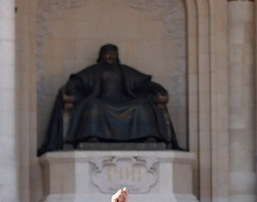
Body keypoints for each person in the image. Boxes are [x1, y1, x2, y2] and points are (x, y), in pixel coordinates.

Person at [38, 44, 180, 155]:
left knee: (142, 106)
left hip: (125, 100)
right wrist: (71, 89)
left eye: (113, 54)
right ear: (101, 56)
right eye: (108, 53)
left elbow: (145, 83)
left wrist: (158, 89)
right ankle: (92, 136)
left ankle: (148, 136)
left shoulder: (125, 71)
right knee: (93, 107)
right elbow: (77, 81)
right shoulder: (94, 70)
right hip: (100, 100)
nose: (110, 56)